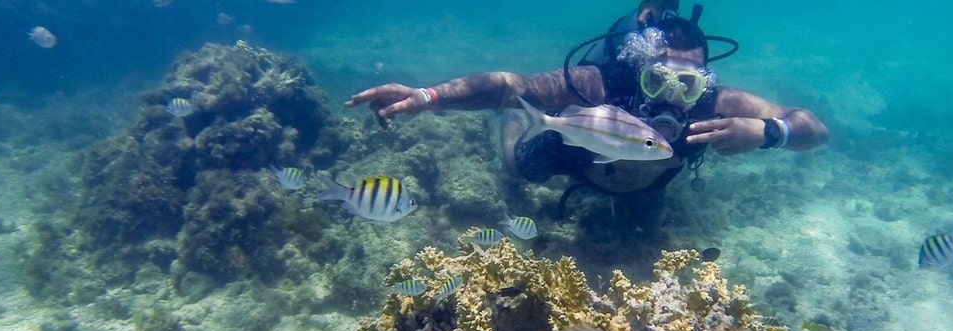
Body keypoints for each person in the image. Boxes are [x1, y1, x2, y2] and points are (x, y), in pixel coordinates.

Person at [345, 2, 828, 199]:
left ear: (705, 80)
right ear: (640, 69)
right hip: (576, 154)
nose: (673, 99)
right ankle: (517, 130)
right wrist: (425, 96)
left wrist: (770, 133)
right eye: (658, 80)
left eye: (689, 84)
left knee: (644, 215)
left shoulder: (718, 102)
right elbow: (509, 84)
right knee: (519, 167)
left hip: (646, 181)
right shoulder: (599, 83)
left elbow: (812, 127)